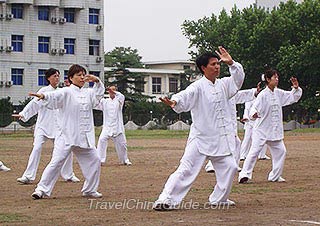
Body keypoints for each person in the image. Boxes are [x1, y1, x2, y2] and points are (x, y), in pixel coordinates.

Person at [153, 47, 245, 211]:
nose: (217, 67)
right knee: (185, 169)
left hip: (220, 140)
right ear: (203, 68)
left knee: (231, 167)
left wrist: (231, 63)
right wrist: (175, 102)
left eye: (218, 64)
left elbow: (238, 79)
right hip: (200, 138)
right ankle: (165, 199)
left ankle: (218, 199)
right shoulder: (197, 87)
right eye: (213, 64)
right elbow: (184, 96)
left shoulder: (225, 84)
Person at [29, 64, 104, 199]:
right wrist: (43, 96)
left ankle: (90, 190)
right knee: (56, 161)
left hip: (84, 136)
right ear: (70, 78)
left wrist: (97, 81)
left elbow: (98, 95)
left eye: (83, 74)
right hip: (66, 135)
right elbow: (54, 96)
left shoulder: (88, 93)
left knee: (95, 160)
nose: (82, 77)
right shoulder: (67, 91)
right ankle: (41, 190)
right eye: (78, 75)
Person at [13, 68, 79, 184]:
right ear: (48, 78)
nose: (57, 78)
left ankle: (68, 174)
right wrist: (23, 114)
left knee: (65, 150)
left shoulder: (62, 91)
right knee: (37, 148)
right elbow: (33, 104)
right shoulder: (43, 90)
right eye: (54, 76)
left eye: (58, 76)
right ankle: (28, 176)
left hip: (58, 127)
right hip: (43, 126)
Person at [238, 69, 302, 184]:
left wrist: (296, 88)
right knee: (253, 152)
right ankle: (244, 175)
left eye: (277, 77)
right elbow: (254, 107)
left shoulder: (279, 93)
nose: (277, 79)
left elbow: (292, 97)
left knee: (281, 151)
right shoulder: (262, 95)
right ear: (268, 79)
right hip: (261, 130)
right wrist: (253, 114)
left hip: (274, 131)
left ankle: (275, 176)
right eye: (274, 77)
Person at [204, 82, 262, 173]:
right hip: (219, 124)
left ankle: (234, 165)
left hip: (230, 125)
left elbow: (242, 95)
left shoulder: (232, 95)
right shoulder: (218, 94)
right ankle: (210, 165)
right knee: (219, 144)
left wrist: (255, 92)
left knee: (236, 143)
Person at [95, 86, 132, 166]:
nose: (112, 92)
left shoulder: (119, 101)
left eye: (114, 90)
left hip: (117, 127)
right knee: (101, 141)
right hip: (107, 127)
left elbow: (122, 96)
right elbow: (96, 103)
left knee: (122, 145)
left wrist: (113, 91)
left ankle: (125, 159)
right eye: (110, 90)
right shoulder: (104, 101)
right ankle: (100, 160)